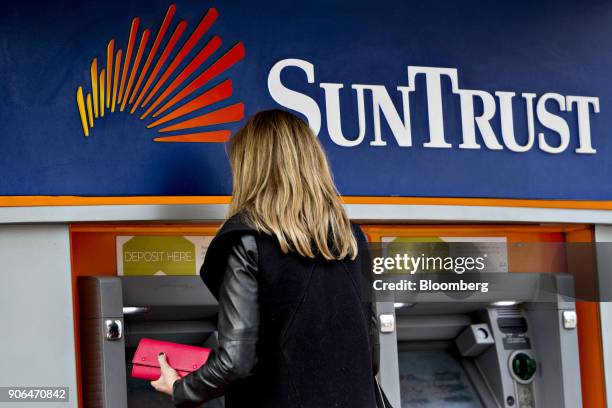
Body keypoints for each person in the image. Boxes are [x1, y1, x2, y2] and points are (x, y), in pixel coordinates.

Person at [150, 109, 380, 408]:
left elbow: (235, 361)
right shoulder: (353, 239)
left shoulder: (245, 241)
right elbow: (372, 355)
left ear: (250, 169)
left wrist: (180, 387)